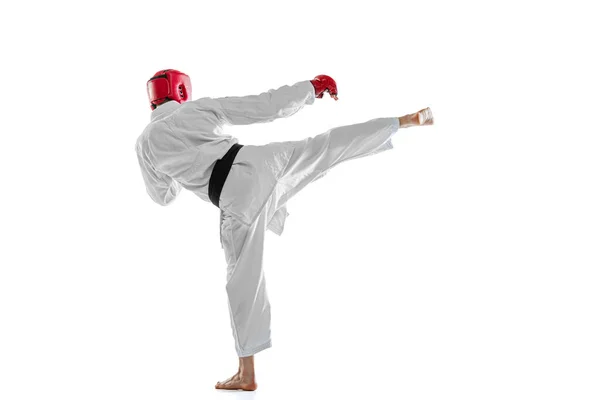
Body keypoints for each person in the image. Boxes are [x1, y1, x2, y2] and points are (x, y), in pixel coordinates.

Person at [135, 69, 434, 391]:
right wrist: (311, 88)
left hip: (234, 197)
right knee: (325, 147)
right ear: (181, 91)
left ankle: (246, 373)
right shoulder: (195, 110)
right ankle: (402, 122)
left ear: (151, 100)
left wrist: (177, 168)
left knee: (243, 279)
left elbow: (162, 197)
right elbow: (264, 106)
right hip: (262, 162)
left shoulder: (145, 144)